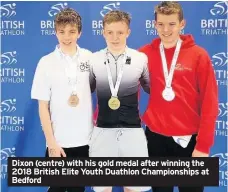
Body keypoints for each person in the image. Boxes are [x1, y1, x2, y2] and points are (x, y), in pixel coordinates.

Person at [139, 1, 218, 192]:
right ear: (155, 24)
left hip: (190, 142)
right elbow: (123, 90)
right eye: (161, 24)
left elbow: (210, 102)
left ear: (182, 24)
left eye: (172, 24)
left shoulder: (199, 55)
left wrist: (203, 146)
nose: (166, 30)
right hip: (156, 139)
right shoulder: (143, 55)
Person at [31, 8, 93, 192]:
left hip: (84, 141)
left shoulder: (90, 58)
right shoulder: (46, 62)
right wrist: (51, 143)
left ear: (80, 33)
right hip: (58, 142)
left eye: (72, 31)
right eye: (62, 32)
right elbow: (43, 106)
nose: (67, 36)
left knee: (78, 189)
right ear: (55, 32)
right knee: (56, 188)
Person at [89, 10, 151, 192]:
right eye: (110, 32)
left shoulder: (140, 59)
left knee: (133, 188)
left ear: (128, 33)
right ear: (103, 32)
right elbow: (88, 89)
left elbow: (150, 88)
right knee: (102, 188)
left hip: (133, 131)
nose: (115, 37)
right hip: (102, 130)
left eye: (120, 32)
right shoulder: (94, 59)